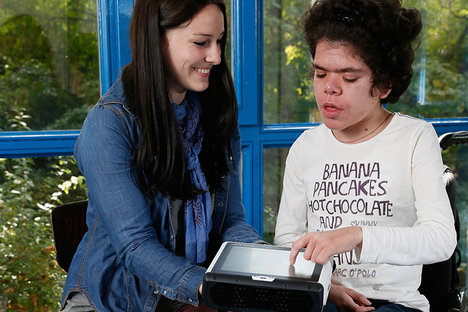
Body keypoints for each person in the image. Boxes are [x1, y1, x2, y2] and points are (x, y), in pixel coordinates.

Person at [61, 0, 265, 311]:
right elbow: (135, 246)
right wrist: (210, 285)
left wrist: (269, 265)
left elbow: (231, 222)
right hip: (117, 303)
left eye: (219, 41)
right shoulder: (109, 124)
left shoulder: (217, 114)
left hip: (191, 293)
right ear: (156, 39)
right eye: (201, 42)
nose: (216, 56)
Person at [274, 0, 457, 311]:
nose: (329, 89)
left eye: (349, 78)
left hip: (397, 304)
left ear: (384, 83)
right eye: (320, 73)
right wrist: (327, 288)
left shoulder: (414, 137)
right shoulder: (305, 147)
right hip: (323, 297)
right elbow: (286, 244)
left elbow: (440, 238)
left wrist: (356, 236)